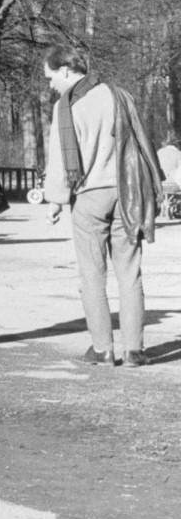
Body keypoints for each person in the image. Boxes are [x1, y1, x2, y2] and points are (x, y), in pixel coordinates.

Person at [42, 45, 161, 367]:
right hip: (128, 192)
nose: (50, 84)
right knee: (130, 272)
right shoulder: (119, 94)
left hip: (89, 197)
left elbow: (59, 160)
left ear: (65, 70)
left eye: (51, 76)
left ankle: (103, 348)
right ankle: (135, 350)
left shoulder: (66, 107)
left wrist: (55, 199)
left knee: (92, 274)